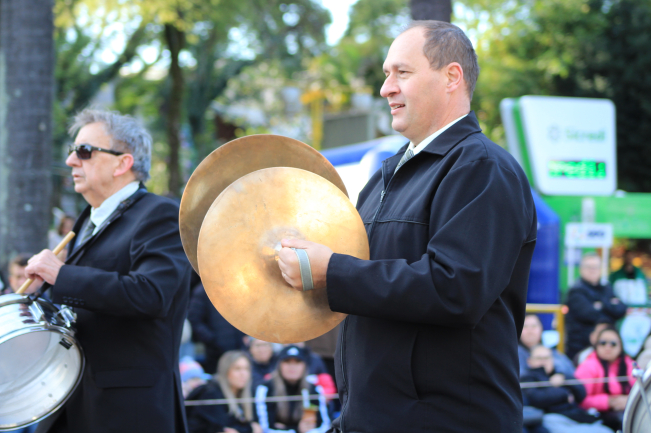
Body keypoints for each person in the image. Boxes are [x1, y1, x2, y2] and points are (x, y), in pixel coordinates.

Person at [278, 20, 537, 433]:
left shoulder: (483, 168)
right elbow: (368, 285)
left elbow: (456, 289)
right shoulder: (383, 177)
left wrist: (333, 270)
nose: (386, 88)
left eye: (402, 72)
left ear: (452, 77)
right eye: (386, 74)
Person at [25, 109, 192, 433]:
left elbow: (151, 294)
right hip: (75, 399)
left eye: (84, 151)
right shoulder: (88, 218)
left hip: (131, 410)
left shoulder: (161, 213)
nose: (71, 161)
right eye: (72, 151)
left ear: (122, 163)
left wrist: (62, 275)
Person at [521, 345, 612, 433]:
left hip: (575, 416)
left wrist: (564, 379)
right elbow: (537, 398)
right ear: (530, 361)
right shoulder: (527, 378)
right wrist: (565, 394)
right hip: (552, 419)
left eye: (547, 358)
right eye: (539, 358)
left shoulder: (560, 374)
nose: (544, 362)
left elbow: (582, 393)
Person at [255, 345, 331, 433]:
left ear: (304, 365)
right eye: (287, 362)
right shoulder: (266, 389)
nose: (292, 366)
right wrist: (296, 430)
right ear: (279, 365)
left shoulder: (314, 389)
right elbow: (264, 427)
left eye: (297, 362)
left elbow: (324, 425)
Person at [565, 254, 628, 360]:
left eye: (595, 267)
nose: (592, 270)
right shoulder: (576, 291)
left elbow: (621, 309)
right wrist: (610, 306)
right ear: (581, 269)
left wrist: (601, 304)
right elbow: (589, 314)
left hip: (608, 347)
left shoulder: (606, 288)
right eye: (589, 267)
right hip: (582, 347)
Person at [575, 327, 635, 431]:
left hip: (628, 409)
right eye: (603, 343)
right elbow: (580, 399)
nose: (608, 347)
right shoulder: (588, 366)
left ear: (620, 346)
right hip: (597, 415)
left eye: (613, 344)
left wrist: (628, 400)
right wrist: (610, 402)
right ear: (596, 345)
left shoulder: (629, 364)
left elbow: (640, 390)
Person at [186, 351, 262, 433]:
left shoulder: (246, 393)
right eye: (237, 369)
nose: (243, 374)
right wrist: (251, 428)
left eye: (246, 369)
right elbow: (224, 427)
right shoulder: (211, 392)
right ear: (225, 371)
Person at [188, 283, 245, 373]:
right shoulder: (203, 291)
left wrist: (244, 335)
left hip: (240, 349)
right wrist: (212, 340)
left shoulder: (239, 286)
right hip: (215, 353)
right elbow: (194, 320)